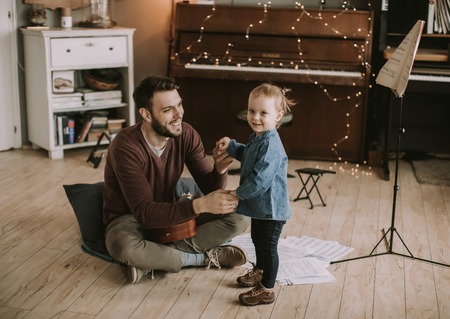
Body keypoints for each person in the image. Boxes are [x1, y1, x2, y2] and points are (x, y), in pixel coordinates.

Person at [103, 75, 250, 283]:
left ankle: (155, 259)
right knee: (124, 247)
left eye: (179, 104)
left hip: (172, 209)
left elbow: (210, 188)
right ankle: (201, 257)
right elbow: (145, 213)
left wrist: (220, 168)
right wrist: (200, 205)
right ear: (146, 114)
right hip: (131, 218)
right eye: (167, 110)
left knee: (241, 214)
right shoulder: (125, 147)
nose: (178, 114)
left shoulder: (186, 133)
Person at [216, 83, 294, 306]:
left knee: (268, 247)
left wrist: (238, 193)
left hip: (271, 209)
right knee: (257, 240)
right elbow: (247, 154)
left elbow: (260, 180)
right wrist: (231, 145)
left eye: (263, 113)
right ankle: (259, 271)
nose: (255, 117)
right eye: (252, 111)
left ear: (278, 115)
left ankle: (267, 289)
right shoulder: (258, 138)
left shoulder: (271, 145)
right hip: (260, 207)